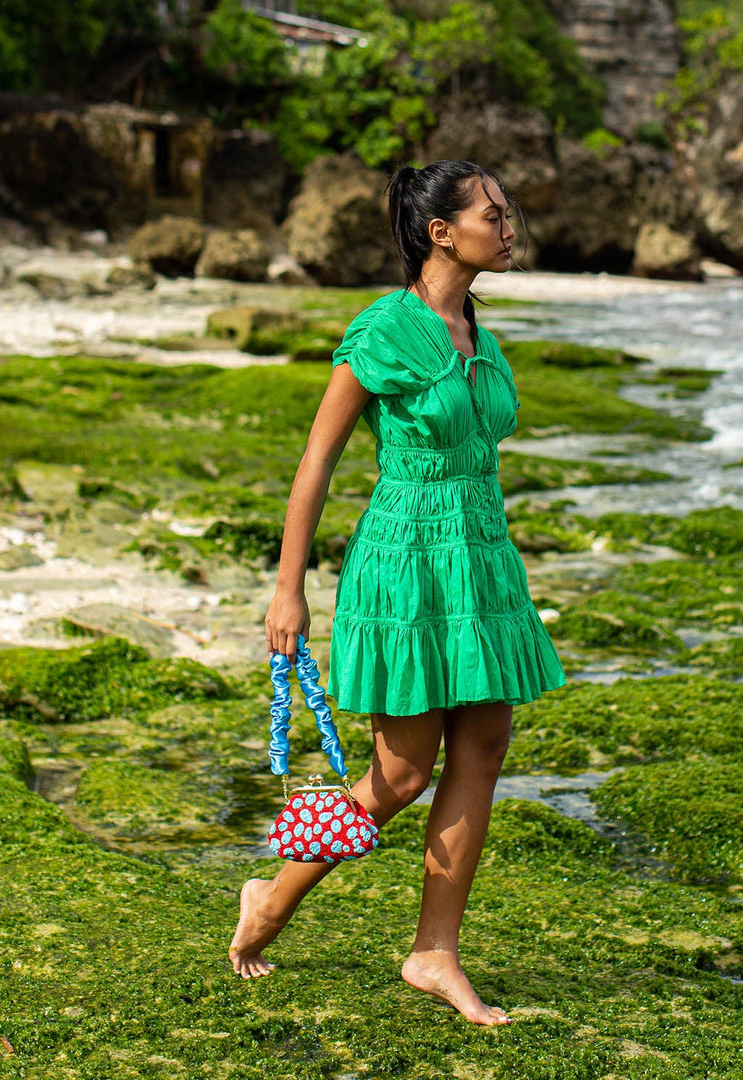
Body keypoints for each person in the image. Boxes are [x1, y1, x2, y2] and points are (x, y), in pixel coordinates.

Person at [228, 160, 565, 1026]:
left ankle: (434, 953)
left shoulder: (476, 334)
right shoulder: (384, 330)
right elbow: (317, 463)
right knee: (399, 773)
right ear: (442, 232)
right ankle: (271, 893)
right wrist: (288, 590)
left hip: (481, 557)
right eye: (494, 213)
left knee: (484, 745)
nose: (509, 224)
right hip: (408, 558)